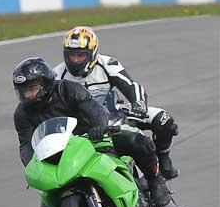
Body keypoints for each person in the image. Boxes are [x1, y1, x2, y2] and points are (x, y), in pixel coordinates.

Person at [12, 57, 173, 207]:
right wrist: (32, 163)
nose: (28, 95)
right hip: (61, 152)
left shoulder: (68, 89)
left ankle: (155, 182)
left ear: (45, 84)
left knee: (136, 141)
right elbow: (26, 144)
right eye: (23, 91)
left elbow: (95, 109)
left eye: (32, 89)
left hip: (94, 137)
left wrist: (100, 125)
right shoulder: (22, 114)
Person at [51, 26, 179, 180]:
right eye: (72, 55)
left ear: (92, 53)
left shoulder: (107, 64)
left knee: (163, 119)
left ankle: (163, 159)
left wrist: (138, 103)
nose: (76, 60)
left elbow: (131, 85)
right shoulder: (56, 75)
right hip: (78, 127)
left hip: (113, 115)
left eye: (80, 55)